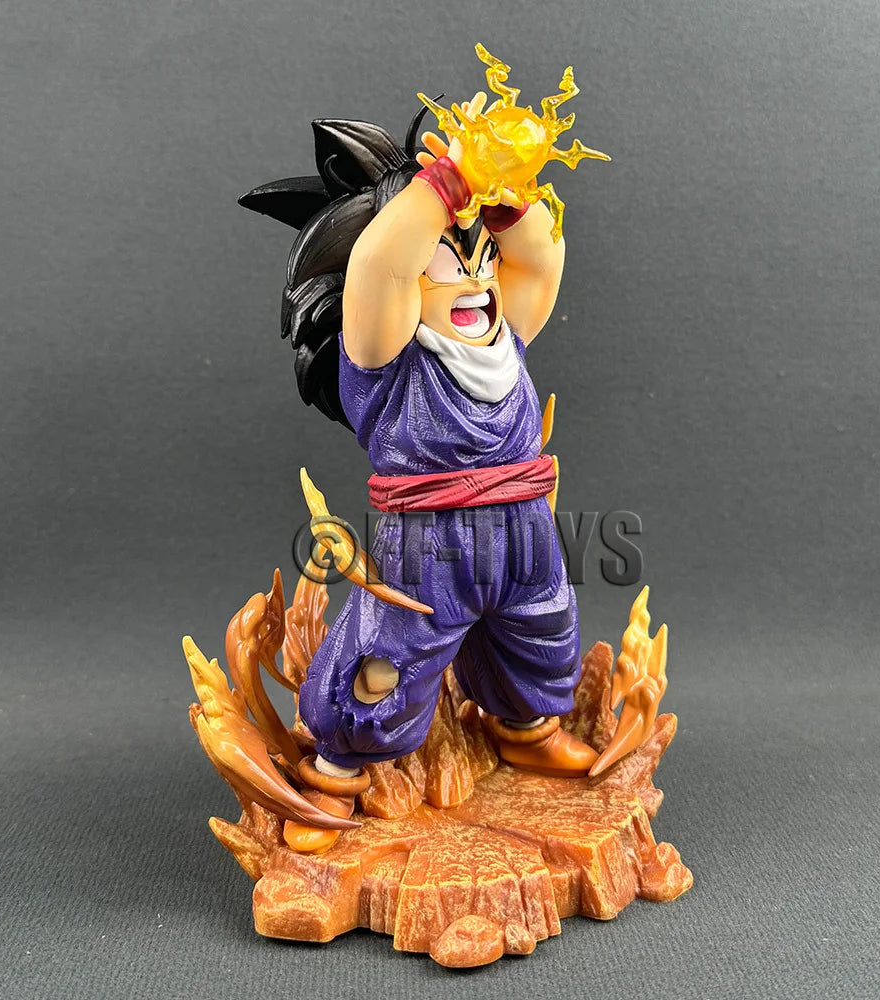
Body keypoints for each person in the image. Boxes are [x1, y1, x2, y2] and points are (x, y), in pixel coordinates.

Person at [240, 98, 597, 853]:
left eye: (481, 259)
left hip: (524, 529)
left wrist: (502, 183)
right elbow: (380, 264)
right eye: (443, 265)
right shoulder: (382, 359)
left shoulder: (508, 334)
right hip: (428, 542)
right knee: (385, 661)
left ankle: (527, 728)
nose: (472, 281)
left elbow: (541, 258)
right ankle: (338, 770)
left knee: (542, 632)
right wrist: (444, 182)